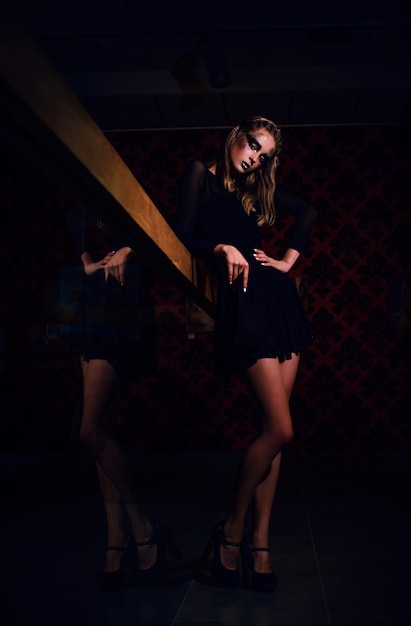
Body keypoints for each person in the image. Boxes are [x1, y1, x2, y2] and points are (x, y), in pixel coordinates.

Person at [175, 116, 318, 592]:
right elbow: (182, 235)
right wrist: (221, 247)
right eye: (254, 145)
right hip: (243, 306)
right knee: (281, 429)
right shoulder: (201, 174)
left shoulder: (256, 189)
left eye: (265, 154)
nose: (256, 157)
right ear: (236, 134)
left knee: (273, 436)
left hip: (277, 300)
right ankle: (231, 531)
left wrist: (287, 261)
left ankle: (260, 544)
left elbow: (310, 212)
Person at [66, 203, 176, 588]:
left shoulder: (133, 203)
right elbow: (69, 214)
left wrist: (130, 250)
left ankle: (142, 527)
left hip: (123, 310)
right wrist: (85, 260)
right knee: (102, 429)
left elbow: (166, 239)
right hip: (94, 304)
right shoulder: (84, 198)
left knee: (91, 430)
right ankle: (118, 539)